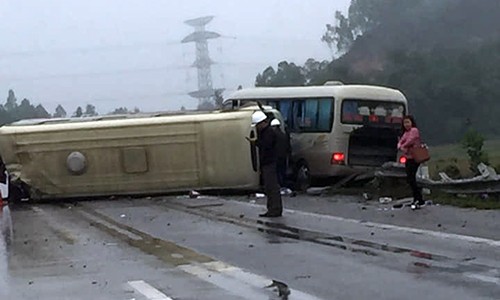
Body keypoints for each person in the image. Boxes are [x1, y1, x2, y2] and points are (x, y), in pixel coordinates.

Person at [249, 111, 283, 217]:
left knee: (271, 187)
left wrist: (256, 143)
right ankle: (272, 209)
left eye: (258, 125)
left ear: (262, 123)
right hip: (270, 163)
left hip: (270, 163)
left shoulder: (268, 133)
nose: (257, 127)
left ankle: (275, 209)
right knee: (269, 187)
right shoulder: (269, 132)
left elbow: (266, 147)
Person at [397, 115, 424, 210]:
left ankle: (419, 198)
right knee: (410, 178)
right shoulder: (406, 133)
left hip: (415, 157)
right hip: (408, 157)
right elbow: (401, 141)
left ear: (412, 122)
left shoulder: (414, 131)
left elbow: (410, 141)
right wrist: (401, 145)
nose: (406, 125)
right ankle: (417, 198)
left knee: (411, 177)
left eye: (408, 122)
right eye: (405, 123)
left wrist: (403, 146)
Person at [270, 119, 290, 189]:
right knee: (282, 171)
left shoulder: (273, 135)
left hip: (276, 157)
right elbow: (288, 146)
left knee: (277, 172)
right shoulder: (283, 135)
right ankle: (283, 184)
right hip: (283, 156)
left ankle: (278, 185)